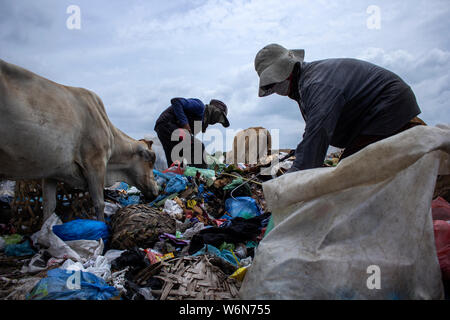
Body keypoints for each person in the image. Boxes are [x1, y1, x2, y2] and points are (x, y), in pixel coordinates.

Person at [254, 43, 425, 173]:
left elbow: (319, 132)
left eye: (273, 85)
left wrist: (291, 180)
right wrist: (301, 151)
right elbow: (313, 130)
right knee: (350, 171)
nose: (274, 91)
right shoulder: (304, 84)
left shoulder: (317, 84)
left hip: (387, 106)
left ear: (285, 73)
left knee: (349, 175)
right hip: (370, 118)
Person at [154, 97, 230, 168]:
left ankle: (178, 177)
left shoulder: (200, 122)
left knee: (176, 159)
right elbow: (176, 101)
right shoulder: (199, 106)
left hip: (163, 128)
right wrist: (185, 124)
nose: (217, 121)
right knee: (198, 147)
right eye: (219, 117)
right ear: (214, 111)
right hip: (167, 123)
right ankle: (201, 175)